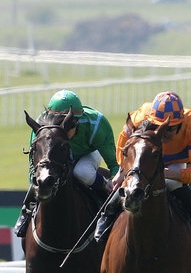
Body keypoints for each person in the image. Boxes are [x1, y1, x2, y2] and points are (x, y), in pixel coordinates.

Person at [95, 91, 191, 254]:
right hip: (144, 157)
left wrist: (165, 173)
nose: (164, 132)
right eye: (158, 126)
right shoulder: (140, 117)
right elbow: (124, 143)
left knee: (173, 185)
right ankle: (105, 218)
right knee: (127, 185)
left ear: (181, 123)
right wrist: (123, 170)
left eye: (170, 128)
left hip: (174, 163)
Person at [13, 89, 119, 238]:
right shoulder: (42, 127)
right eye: (58, 123)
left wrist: (114, 182)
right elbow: (33, 164)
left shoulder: (97, 124)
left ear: (76, 120)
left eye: (69, 124)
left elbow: (114, 163)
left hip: (86, 154)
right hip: (55, 157)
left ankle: (108, 211)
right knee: (41, 178)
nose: (63, 128)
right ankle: (25, 212)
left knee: (82, 172)